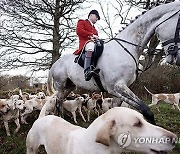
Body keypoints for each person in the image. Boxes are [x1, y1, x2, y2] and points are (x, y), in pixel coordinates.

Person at [74, 10, 101, 81]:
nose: (97, 19)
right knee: (91, 45)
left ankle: (94, 66)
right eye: (96, 17)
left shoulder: (95, 30)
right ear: (91, 15)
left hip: (93, 44)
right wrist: (91, 35)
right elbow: (79, 31)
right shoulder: (82, 22)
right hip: (85, 44)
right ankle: (86, 71)